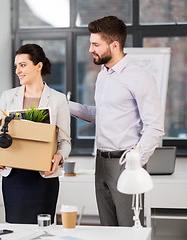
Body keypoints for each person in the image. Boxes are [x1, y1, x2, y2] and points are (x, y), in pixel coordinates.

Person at [69, 16, 164, 226]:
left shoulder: (139, 77)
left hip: (126, 163)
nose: (90, 49)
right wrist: (62, 104)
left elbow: (155, 127)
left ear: (114, 44)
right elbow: (100, 115)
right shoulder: (104, 75)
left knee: (130, 228)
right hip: (101, 161)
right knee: (108, 229)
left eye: (95, 44)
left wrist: (135, 161)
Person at [0, 44, 71, 224]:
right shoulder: (8, 96)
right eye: (16, 66)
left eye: (22, 65)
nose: (17, 71)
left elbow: (65, 141)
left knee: (43, 230)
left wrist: (59, 156)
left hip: (44, 177)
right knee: (16, 229)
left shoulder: (58, 100)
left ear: (39, 66)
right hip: (13, 177)